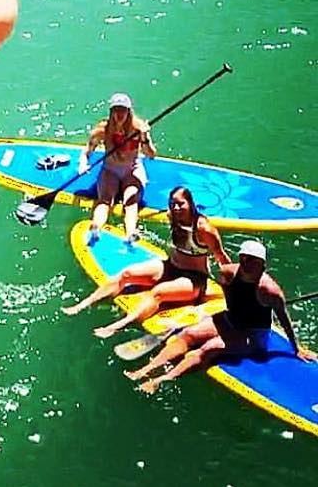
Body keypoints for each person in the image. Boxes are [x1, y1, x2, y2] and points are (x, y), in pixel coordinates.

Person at [125, 238, 317, 393]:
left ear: (263, 265)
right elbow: (227, 295)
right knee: (187, 335)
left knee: (208, 349)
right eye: (245, 258)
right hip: (229, 319)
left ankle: (162, 379)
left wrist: (296, 348)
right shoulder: (227, 273)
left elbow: (284, 319)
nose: (247, 264)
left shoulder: (270, 292)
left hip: (252, 334)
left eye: (253, 261)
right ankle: (145, 370)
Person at [62, 185, 228, 336]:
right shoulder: (173, 217)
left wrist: (233, 289)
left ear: (191, 204)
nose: (176, 208)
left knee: (158, 293)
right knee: (127, 273)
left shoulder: (204, 229)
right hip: (170, 267)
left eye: (180, 204)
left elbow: (221, 257)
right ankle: (84, 304)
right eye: (172, 204)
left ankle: (119, 325)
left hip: (194, 280)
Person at [77, 92, 155, 243]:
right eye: (116, 110)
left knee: (131, 201)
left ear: (129, 111)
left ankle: (131, 233)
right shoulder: (103, 130)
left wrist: (145, 138)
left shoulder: (138, 128)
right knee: (105, 200)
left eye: (123, 110)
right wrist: (82, 163)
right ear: (111, 112)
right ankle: (96, 227)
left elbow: (151, 154)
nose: (119, 114)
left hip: (132, 169)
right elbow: (87, 149)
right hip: (110, 170)